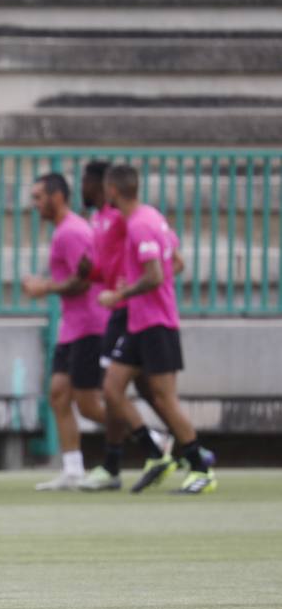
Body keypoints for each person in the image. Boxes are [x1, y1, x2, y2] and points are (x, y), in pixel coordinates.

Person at [97, 165, 215, 494]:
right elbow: (175, 262)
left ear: (113, 192)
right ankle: (156, 451)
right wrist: (137, 285)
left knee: (164, 398)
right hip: (140, 322)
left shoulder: (138, 225)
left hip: (156, 323)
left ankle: (200, 465)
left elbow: (156, 275)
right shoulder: (152, 217)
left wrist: (120, 293)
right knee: (112, 389)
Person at [76, 160, 172, 491]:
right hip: (122, 311)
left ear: (105, 186)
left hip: (129, 312)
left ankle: (156, 448)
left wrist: (129, 291)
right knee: (132, 390)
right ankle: (118, 462)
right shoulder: (100, 219)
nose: (83, 189)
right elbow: (108, 265)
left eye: (86, 182)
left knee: (116, 389)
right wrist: (92, 273)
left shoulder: (126, 218)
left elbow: (166, 256)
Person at [22, 173, 109, 491]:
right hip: (72, 327)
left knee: (88, 404)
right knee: (58, 395)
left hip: (89, 324)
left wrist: (43, 287)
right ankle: (73, 469)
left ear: (57, 196)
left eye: (38, 197)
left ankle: (152, 438)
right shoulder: (64, 231)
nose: (35, 205)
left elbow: (84, 280)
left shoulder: (71, 232)